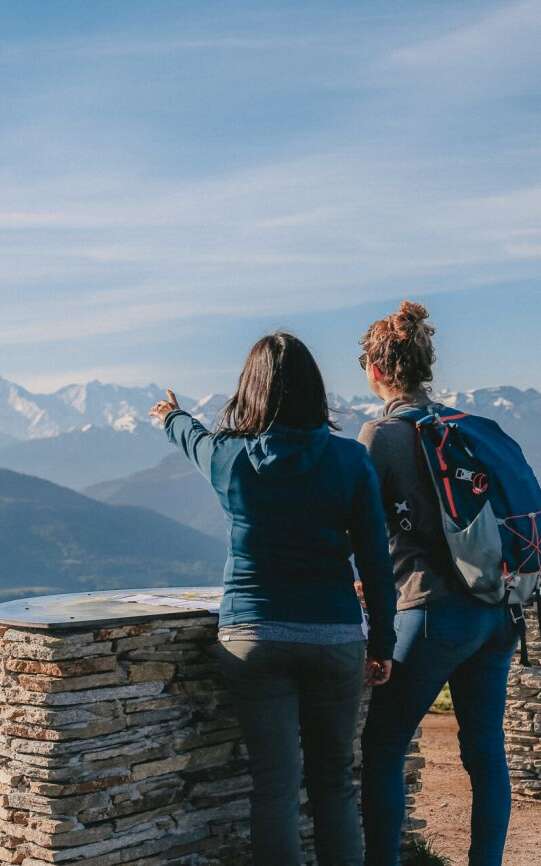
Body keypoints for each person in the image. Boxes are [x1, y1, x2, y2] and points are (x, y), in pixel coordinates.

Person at [149, 332, 396, 866]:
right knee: (334, 784)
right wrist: (382, 642)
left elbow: (192, 438)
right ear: (316, 389)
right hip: (334, 637)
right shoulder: (352, 461)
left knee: (275, 789)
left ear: (250, 388)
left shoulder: (229, 458)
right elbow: (376, 561)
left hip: (252, 638)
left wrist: (171, 414)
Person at [358, 301, 519, 866]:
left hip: (429, 612)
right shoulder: (466, 428)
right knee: (485, 753)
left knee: (381, 750)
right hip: (497, 611)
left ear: (374, 371)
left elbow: (361, 526)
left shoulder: (381, 435)